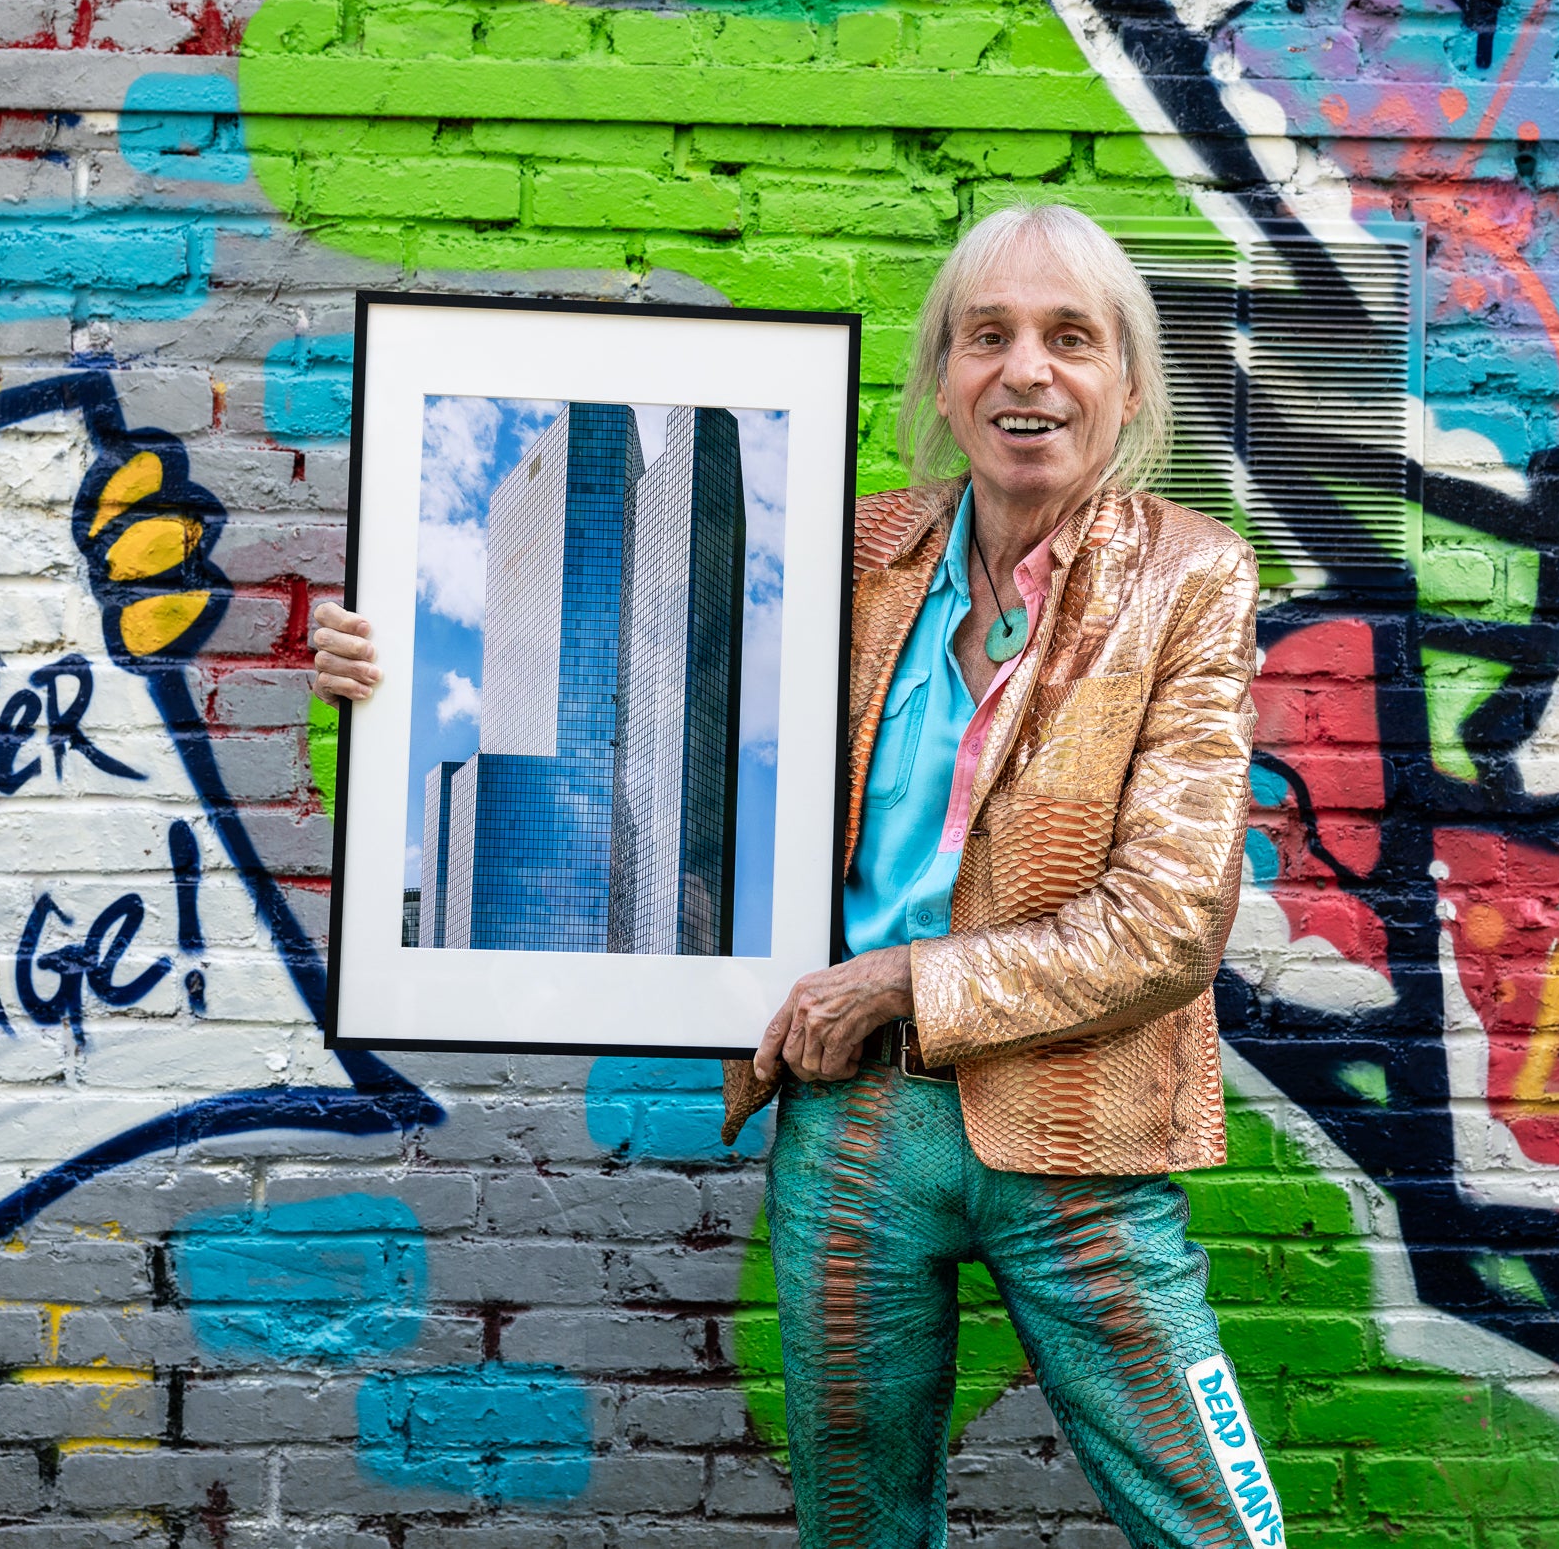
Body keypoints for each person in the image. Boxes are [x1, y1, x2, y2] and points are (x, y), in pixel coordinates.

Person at [312, 204, 1269, 1549]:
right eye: (987, 336)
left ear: (1126, 380)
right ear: (943, 375)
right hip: (853, 1130)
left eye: (1071, 338)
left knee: (1220, 1521)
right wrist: (392, 671)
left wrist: (898, 981)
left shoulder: (1194, 578)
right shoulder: (855, 551)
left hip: (1082, 1133)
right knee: (858, 1530)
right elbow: (674, 733)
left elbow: (1168, 924)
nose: (1027, 371)